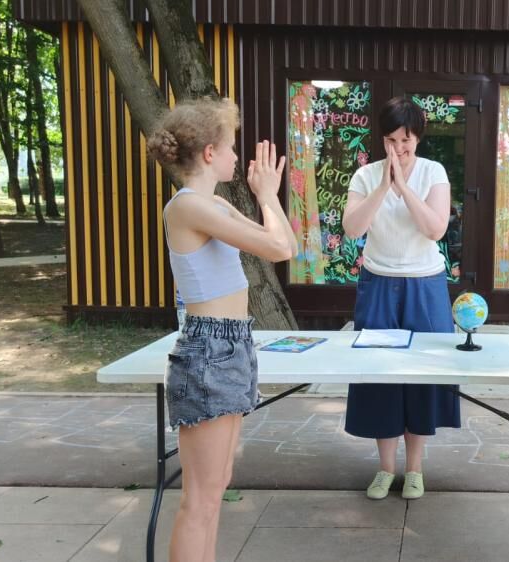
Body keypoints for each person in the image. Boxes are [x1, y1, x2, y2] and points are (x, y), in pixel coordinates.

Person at [148, 98, 296, 562]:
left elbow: (285, 245)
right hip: (208, 348)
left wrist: (269, 198)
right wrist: (266, 196)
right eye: (232, 147)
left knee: (216, 488)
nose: (238, 156)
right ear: (210, 153)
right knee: (200, 498)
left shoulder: (214, 204)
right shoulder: (188, 207)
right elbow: (276, 249)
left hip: (231, 345)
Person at [341, 96, 459, 501]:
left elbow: (435, 229)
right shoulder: (365, 175)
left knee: (422, 375)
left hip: (425, 284)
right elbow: (353, 228)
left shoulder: (433, 172)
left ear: (418, 138)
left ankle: (414, 469)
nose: (399, 148)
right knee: (380, 375)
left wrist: (404, 188)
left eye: (406, 140)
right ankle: (385, 468)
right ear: (383, 139)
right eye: (391, 140)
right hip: (378, 282)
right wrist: (382, 187)